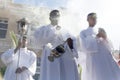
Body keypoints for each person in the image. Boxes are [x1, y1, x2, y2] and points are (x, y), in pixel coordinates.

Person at [33, 10, 79, 80]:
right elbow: (38, 42)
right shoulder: (43, 29)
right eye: (54, 15)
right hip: (51, 58)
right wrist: (54, 32)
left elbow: (72, 42)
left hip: (64, 59)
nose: (56, 17)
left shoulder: (66, 30)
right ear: (50, 18)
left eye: (58, 15)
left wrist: (70, 43)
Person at [79, 12, 120, 80]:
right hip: (95, 60)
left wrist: (105, 37)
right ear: (88, 19)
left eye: (95, 18)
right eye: (92, 18)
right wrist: (97, 36)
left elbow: (110, 46)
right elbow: (85, 46)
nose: (94, 19)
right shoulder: (83, 32)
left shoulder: (101, 30)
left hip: (106, 58)